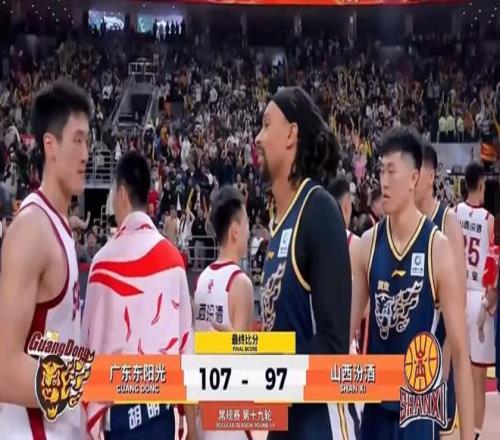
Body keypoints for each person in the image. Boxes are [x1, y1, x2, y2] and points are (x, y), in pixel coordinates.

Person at [350, 127, 473, 439]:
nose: (384, 181)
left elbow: (460, 352)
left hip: (418, 404)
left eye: (392, 171)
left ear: (414, 178)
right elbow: (344, 334)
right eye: (381, 171)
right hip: (375, 403)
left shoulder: (438, 248)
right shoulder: (366, 245)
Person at [255, 86, 357, 439]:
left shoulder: (318, 209)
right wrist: (244, 348)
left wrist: (261, 364)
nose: (258, 137)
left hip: (321, 422)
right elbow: (286, 333)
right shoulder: (280, 223)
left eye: (267, 124)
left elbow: (333, 344)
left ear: (291, 134)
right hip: (286, 417)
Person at [81, 152, 195, 440]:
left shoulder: (102, 263)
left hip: (119, 415)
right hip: (161, 410)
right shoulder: (173, 259)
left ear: (121, 194)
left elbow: (88, 349)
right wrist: (191, 423)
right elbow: (186, 349)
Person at [0, 80, 91, 438]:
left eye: (88, 141)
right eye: (77, 140)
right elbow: (4, 369)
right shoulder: (31, 231)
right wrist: (84, 384)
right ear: (49, 145)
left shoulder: (59, 226)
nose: (86, 154)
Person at [194, 185, 254, 440]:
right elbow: (245, 364)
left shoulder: (202, 279)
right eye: (247, 224)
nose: (249, 231)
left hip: (203, 412)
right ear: (235, 230)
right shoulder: (241, 283)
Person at [414, 144, 466, 436]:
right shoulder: (403, 222)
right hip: (407, 349)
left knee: (434, 431)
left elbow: (457, 301)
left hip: (437, 347)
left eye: (417, 171)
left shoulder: (447, 222)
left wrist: (446, 356)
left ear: (431, 176)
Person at [454, 162, 497, 440]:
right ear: (481, 185)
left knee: (460, 375)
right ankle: (476, 435)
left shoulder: (453, 213)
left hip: (458, 296)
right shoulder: (489, 220)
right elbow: (493, 263)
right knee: (479, 380)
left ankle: (460, 430)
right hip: (480, 299)